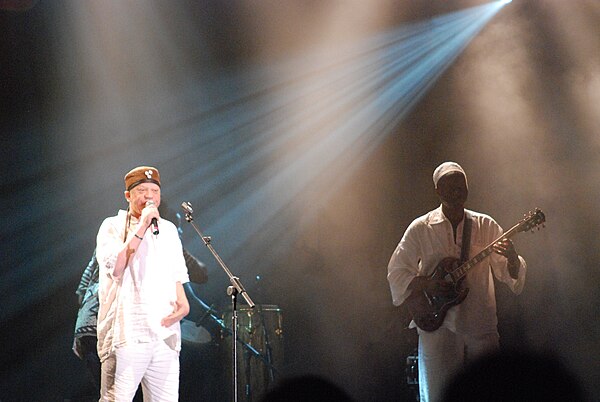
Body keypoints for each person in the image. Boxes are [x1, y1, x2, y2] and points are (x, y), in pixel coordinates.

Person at [387, 161, 527, 402]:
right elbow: (397, 272)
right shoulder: (421, 228)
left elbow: (508, 273)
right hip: (438, 326)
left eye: (460, 184)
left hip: (480, 325)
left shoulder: (486, 225)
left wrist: (513, 259)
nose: (456, 189)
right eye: (449, 185)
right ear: (437, 191)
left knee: (489, 392)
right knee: (439, 394)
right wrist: (428, 284)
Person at [96, 166, 191, 401]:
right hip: (126, 334)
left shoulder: (168, 230)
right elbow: (117, 267)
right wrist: (142, 225)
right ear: (128, 195)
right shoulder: (112, 226)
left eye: (154, 191)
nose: (149, 196)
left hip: (164, 336)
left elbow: (176, 273)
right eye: (142, 190)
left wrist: (183, 303)